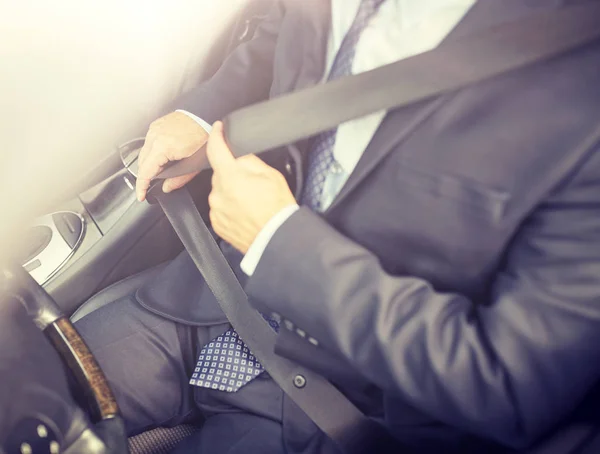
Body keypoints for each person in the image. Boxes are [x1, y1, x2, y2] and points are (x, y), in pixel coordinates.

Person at [73, 0, 600, 453]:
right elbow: (285, 30)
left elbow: (506, 386)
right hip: (215, 294)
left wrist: (278, 243)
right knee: (23, 391)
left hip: (352, 400)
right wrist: (200, 113)